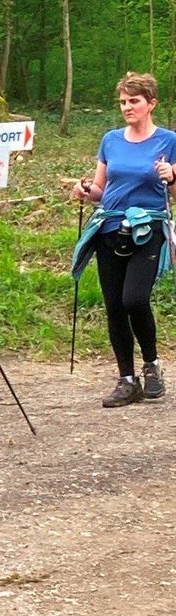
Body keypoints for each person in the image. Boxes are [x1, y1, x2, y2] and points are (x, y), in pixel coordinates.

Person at [71, 72, 176, 407]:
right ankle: (126, 380)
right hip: (109, 227)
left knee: (134, 299)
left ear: (151, 104)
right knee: (114, 306)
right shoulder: (111, 140)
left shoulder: (169, 140)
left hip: (149, 227)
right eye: (123, 102)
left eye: (134, 101)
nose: (127, 107)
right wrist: (85, 191)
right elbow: (101, 191)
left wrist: (172, 176)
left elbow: (173, 193)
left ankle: (151, 365)